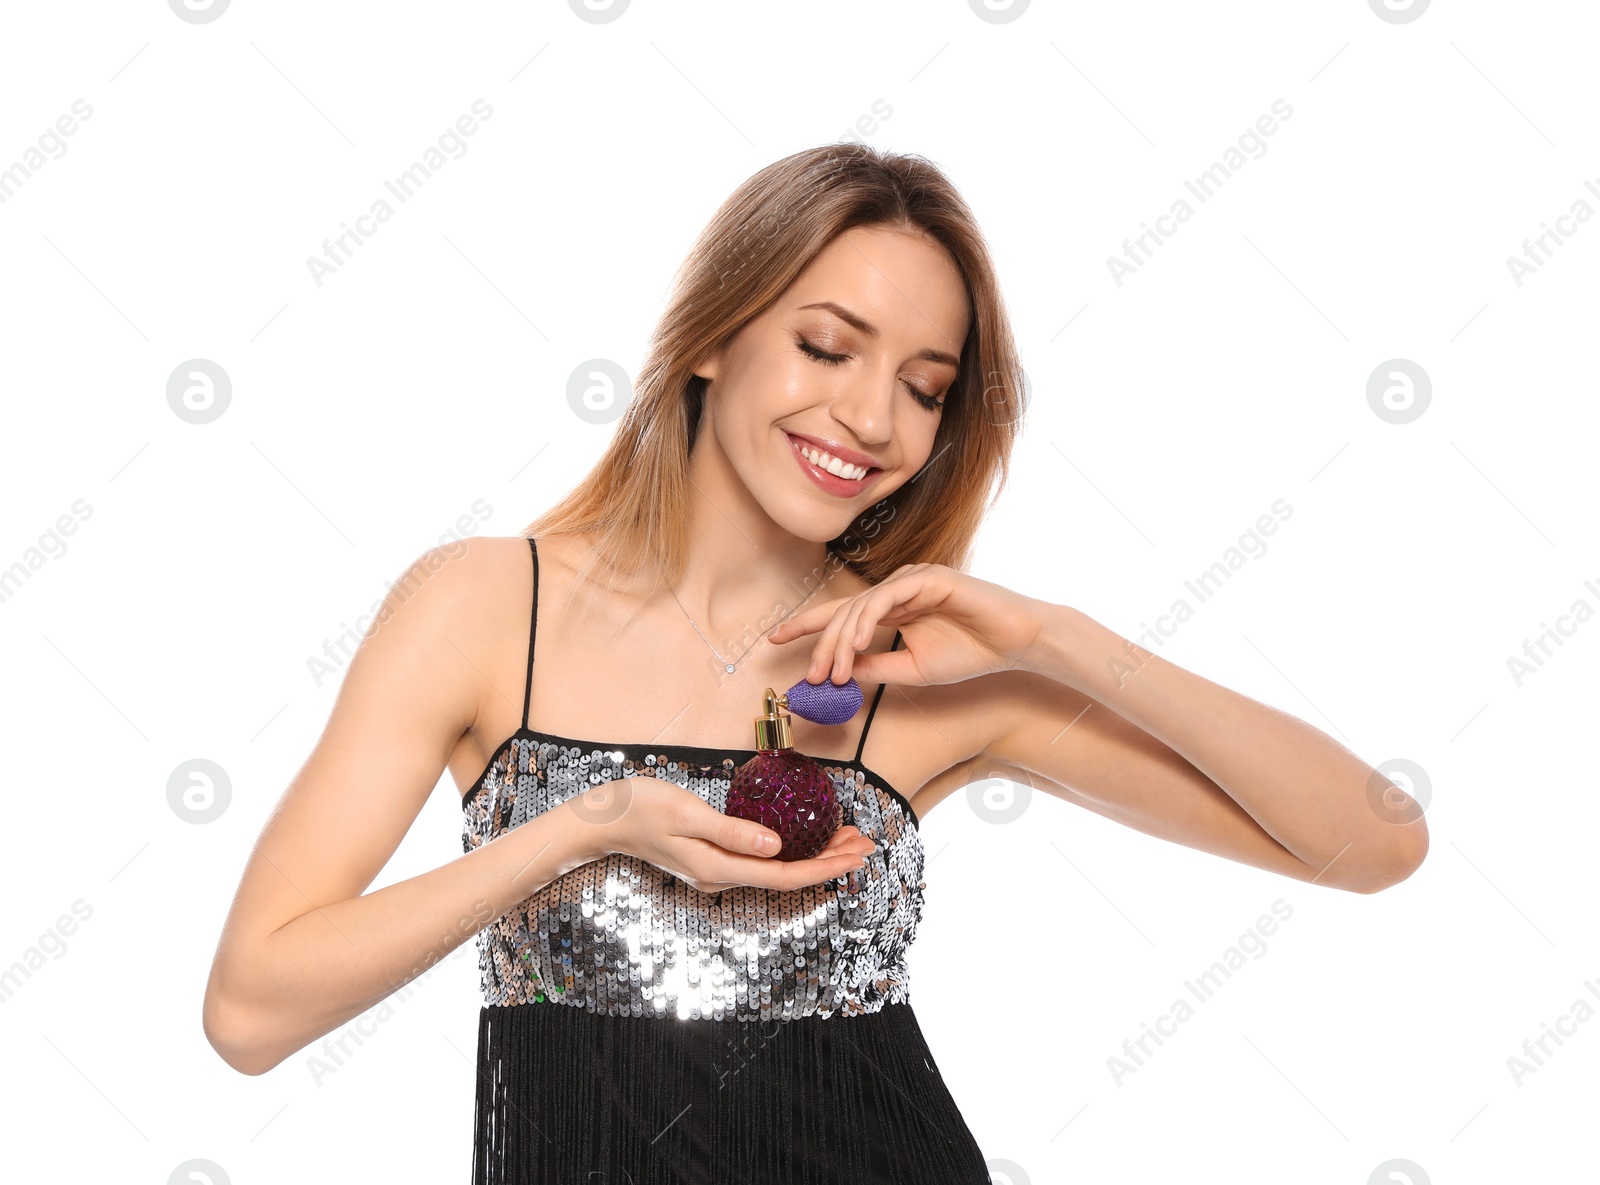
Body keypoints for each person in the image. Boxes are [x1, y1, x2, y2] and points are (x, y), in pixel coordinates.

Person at [201, 143, 1429, 1183]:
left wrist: (1059, 642)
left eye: (924, 386)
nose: (873, 418)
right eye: (828, 346)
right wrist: (591, 826)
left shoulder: (930, 674)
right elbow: (252, 1009)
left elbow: (1375, 843)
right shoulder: (480, 605)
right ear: (712, 339)